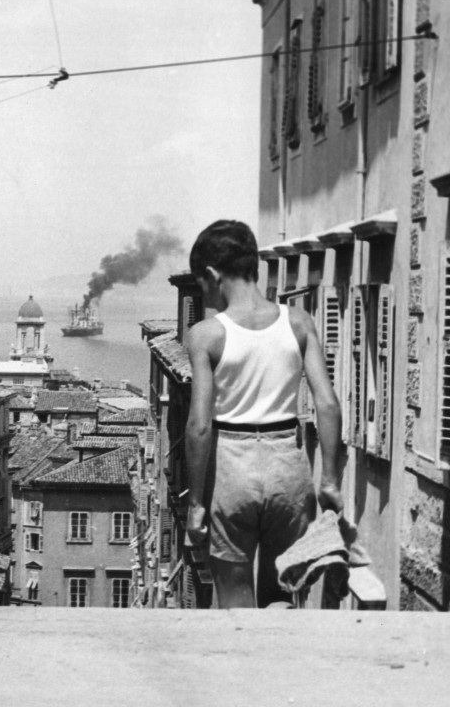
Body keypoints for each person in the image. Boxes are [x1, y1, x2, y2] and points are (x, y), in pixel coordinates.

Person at [183, 219, 343, 608]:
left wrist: (196, 504)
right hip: (288, 466)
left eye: (202, 284)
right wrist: (330, 480)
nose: (205, 292)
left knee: (236, 603)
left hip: (231, 469)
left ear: (211, 274)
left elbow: (199, 426)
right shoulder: (299, 322)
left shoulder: (206, 334)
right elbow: (327, 403)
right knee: (284, 597)